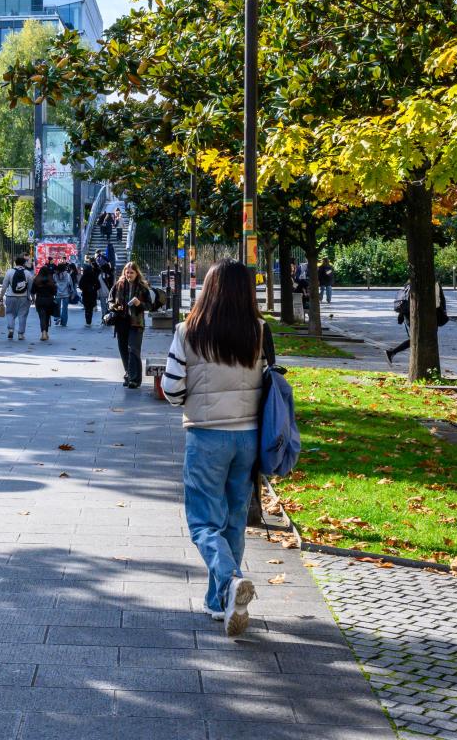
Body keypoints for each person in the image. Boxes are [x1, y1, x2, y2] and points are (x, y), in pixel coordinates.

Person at [160, 260, 267, 637]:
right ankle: (218, 601)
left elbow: (172, 389)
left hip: (207, 436)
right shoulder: (259, 331)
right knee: (235, 519)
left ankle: (230, 580)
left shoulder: (189, 331)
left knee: (204, 521)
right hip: (249, 437)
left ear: (209, 288)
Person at [109, 261, 154, 388]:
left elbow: (150, 306)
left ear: (136, 273)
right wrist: (114, 306)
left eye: (131, 273)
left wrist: (139, 304)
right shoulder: (119, 285)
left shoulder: (142, 287)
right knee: (123, 350)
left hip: (136, 322)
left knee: (133, 349)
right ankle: (129, 374)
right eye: (127, 272)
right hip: (121, 321)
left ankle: (135, 379)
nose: (129, 275)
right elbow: (110, 300)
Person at [385, 280, 447, 364]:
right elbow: (438, 301)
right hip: (426, 313)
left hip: (409, 313)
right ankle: (393, 352)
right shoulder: (433, 282)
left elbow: (404, 298)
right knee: (421, 337)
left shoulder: (411, 280)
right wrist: (442, 312)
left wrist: (401, 314)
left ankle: (394, 353)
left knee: (417, 337)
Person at [0, 256, 35, 341]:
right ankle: (20, 334)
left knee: (10, 313)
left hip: (11, 296)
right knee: (22, 315)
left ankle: (11, 329)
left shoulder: (9, 272)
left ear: (15, 263)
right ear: (24, 263)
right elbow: (30, 287)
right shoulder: (27, 273)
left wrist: (1, 297)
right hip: (24, 298)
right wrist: (33, 297)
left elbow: (4, 286)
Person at [32, 264, 59, 342]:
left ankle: (43, 332)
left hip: (40, 300)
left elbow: (33, 291)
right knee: (47, 316)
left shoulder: (36, 280)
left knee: (42, 317)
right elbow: (54, 292)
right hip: (49, 300)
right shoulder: (51, 280)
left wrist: (33, 298)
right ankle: (46, 332)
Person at [79, 257, 102, 327]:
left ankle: (87, 321)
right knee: (91, 308)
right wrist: (94, 288)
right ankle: (89, 321)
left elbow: (80, 285)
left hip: (86, 294)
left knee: (86, 308)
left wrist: (84, 289)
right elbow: (98, 285)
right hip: (92, 294)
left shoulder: (84, 276)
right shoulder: (94, 276)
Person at [55, 261, 74, 328]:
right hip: (66, 294)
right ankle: (64, 322)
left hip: (57, 294)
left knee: (57, 307)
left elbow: (53, 284)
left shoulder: (55, 275)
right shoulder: (68, 275)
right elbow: (70, 284)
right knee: (65, 308)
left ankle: (57, 317)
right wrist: (72, 292)